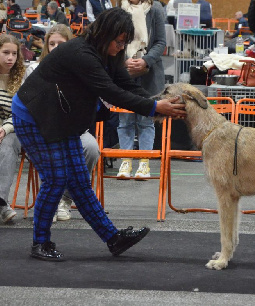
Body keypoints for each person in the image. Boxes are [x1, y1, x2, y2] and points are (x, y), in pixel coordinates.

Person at [11, 7, 186, 261]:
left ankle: (114, 239)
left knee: (80, 182)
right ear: (106, 34)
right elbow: (110, 92)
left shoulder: (108, 51)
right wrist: (153, 107)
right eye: (119, 41)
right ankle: (40, 243)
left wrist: (155, 103)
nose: (121, 47)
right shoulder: (80, 53)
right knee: (56, 179)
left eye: (125, 42)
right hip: (33, 115)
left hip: (61, 117)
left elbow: (123, 83)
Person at [23, 24, 98, 222]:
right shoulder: (33, 70)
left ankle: (65, 199)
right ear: (46, 46)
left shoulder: (80, 70)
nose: (55, 47)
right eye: (52, 43)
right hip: (43, 129)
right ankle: (51, 201)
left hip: (74, 128)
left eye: (60, 44)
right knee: (51, 151)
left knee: (91, 147)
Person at [116, 0, 166, 179]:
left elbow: (161, 42)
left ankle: (144, 164)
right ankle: (126, 161)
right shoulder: (118, 9)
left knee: (146, 121)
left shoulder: (156, 9)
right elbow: (111, 41)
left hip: (149, 74)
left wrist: (146, 60)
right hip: (124, 72)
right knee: (125, 121)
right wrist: (123, 62)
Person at [0, 34, 25, 223]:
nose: (10, 58)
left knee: (7, 144)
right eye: (5, 53)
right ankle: (3, 207)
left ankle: (0, 200)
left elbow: (20, 113)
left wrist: (5, 129)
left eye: (14, 54)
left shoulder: (22, 79)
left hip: (15, 130)